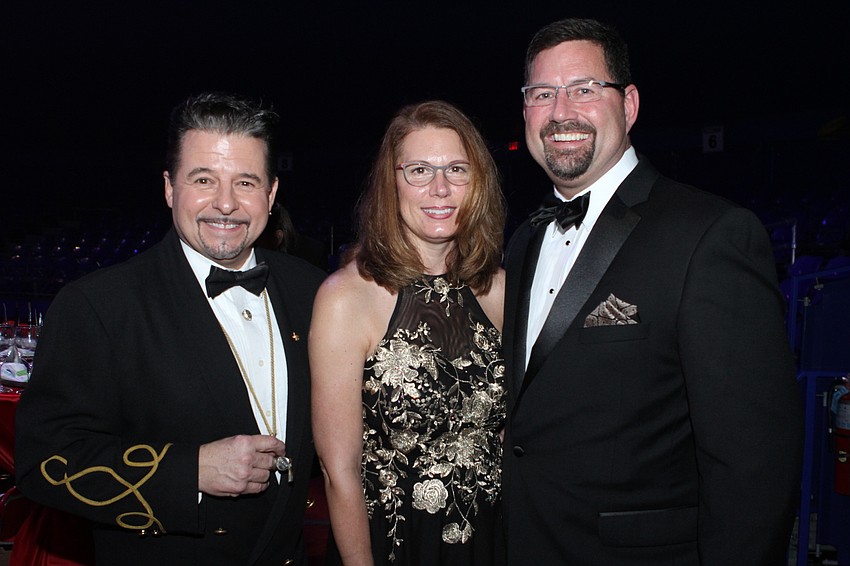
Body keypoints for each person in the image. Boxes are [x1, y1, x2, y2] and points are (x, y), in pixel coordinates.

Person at [501, 18, 803, 565]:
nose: (561, 111)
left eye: (585, 89)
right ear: (525, 112)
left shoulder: (709, 234)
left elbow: (753, 467)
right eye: (543, 93)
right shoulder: (523, 240)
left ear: (630, 104)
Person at [15, 92, 325, 565]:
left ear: (271, 193)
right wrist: (189, 471)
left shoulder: (312, 290)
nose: (226, 204)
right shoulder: (97, 305)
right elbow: (44, 463)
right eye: (204, 179)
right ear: (169, 188)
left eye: (245, 182)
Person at [310, 100, 507, 565]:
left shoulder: (502, 289)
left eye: (457, 169)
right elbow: (339, 471)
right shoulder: (345, 299)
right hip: (394, 544)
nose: (440, 188)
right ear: (391, 182)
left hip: (493, 540)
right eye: (419, 170)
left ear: (477, 181)